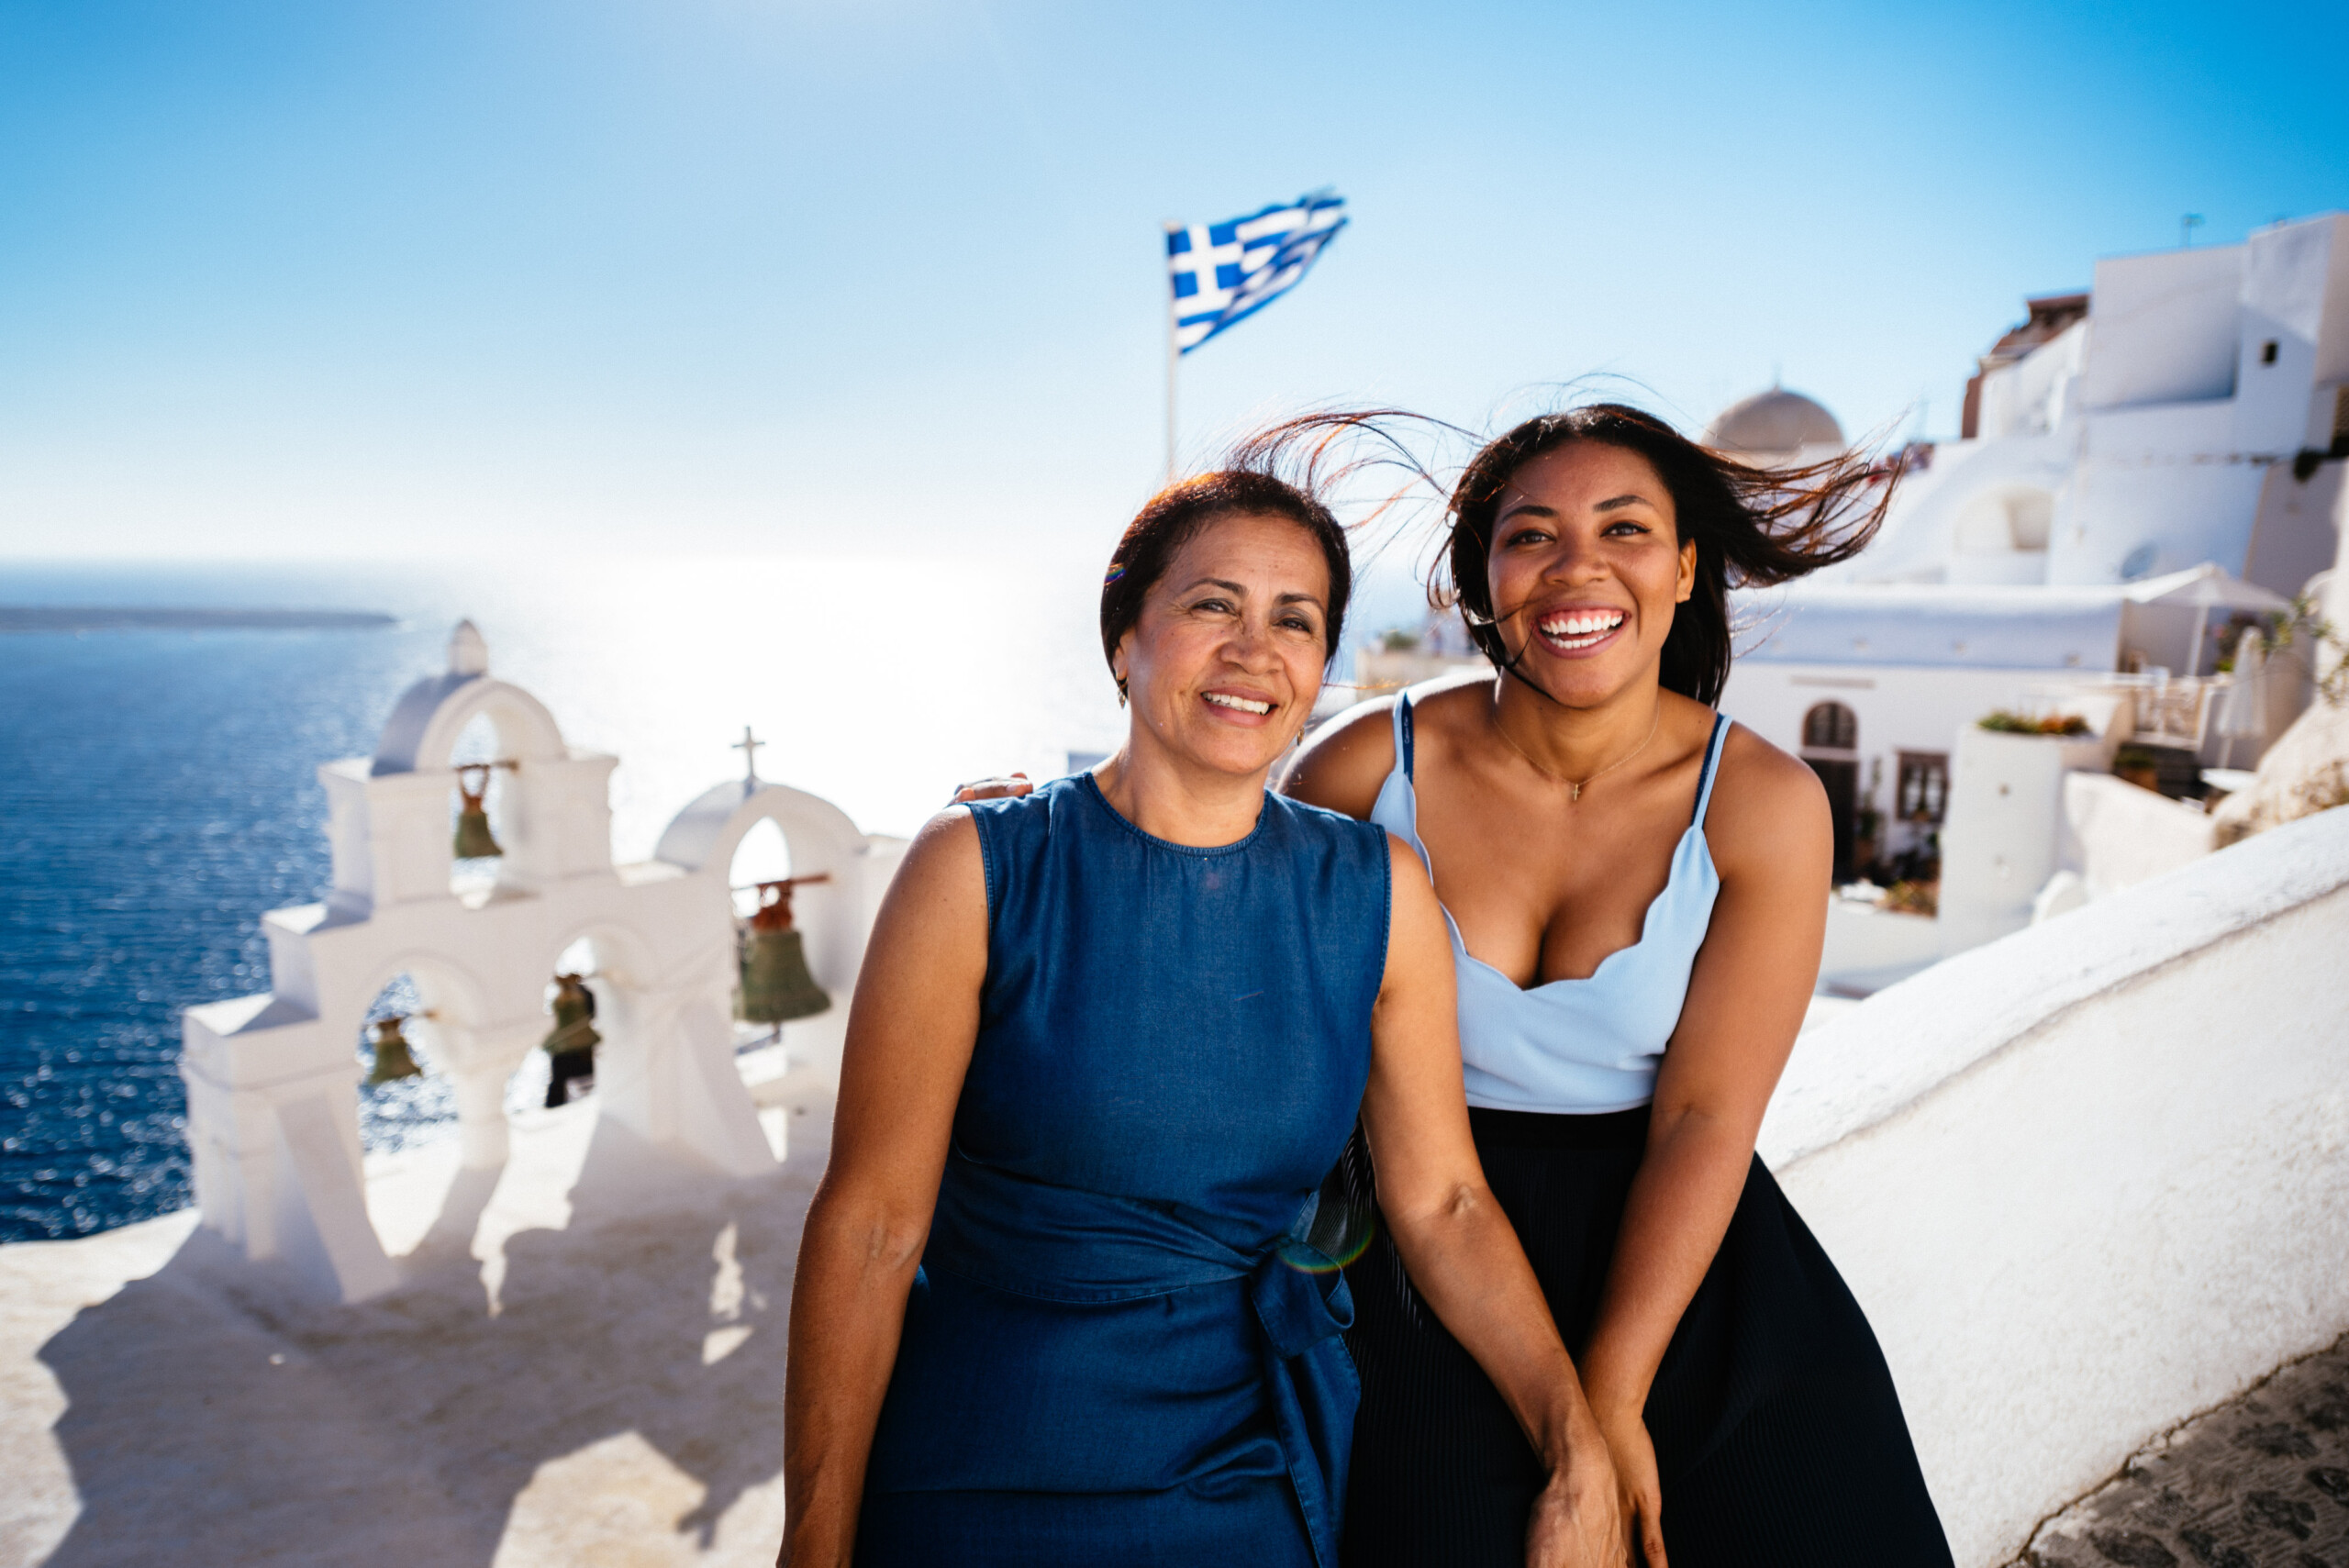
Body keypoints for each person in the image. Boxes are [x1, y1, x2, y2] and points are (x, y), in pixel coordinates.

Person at [780, 469, 1628, 1568]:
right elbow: (872, 1225)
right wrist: (815, 1535)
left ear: (1321, 667)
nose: (1253, 649)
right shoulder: (979, 868)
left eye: (1295, 619)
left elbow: (1448, 1201)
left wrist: (1575, 1439)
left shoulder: (1376, 892)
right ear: (1124, 636)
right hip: (977, 1452)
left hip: (1240, 1467)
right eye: (1211, 605)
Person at [1283, 406, 1954, 1568]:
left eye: (1625, 528)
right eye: (1529, 534)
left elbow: (1705, 1118)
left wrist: (1613, 1398)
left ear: (1687, 567)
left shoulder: (1763, 804)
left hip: (1679, 1250)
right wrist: (1042, 827)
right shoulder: (1355, 772)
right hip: (1423, 1242)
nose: (1576, 567)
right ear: (1478, 583)